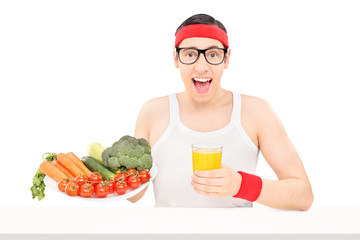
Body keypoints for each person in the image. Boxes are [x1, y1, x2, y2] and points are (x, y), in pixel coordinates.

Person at [128, 13, 313, 210]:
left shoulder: (256, 112)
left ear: (226, 59)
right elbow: (134, 196)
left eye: (213, 55)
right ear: (176, 58)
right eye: (190, 54)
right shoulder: (153, 112)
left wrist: (241, 185)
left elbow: (303, 195)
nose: (201, 67)